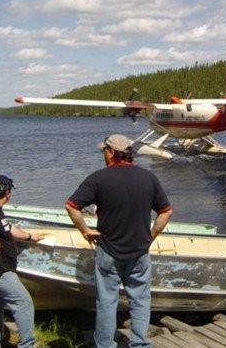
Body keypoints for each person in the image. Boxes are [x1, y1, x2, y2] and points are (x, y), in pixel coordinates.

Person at [65, 134, 173, 348]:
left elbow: (71, 206)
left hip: (109, 251)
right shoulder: (148, 178)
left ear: (112, 152)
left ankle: (105, 344)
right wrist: (150, 237)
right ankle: (140, 343)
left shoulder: (98, 178)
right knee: (141, 301)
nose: (103, 154)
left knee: (106, 302)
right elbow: (166, 212)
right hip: (139, 252)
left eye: (104, 150)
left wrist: (85, 230)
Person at [0, 174, 44, 348]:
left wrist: (29, 236)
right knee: (23, 303)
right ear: (7, 192)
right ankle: (27, 345)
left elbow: (8, 227)